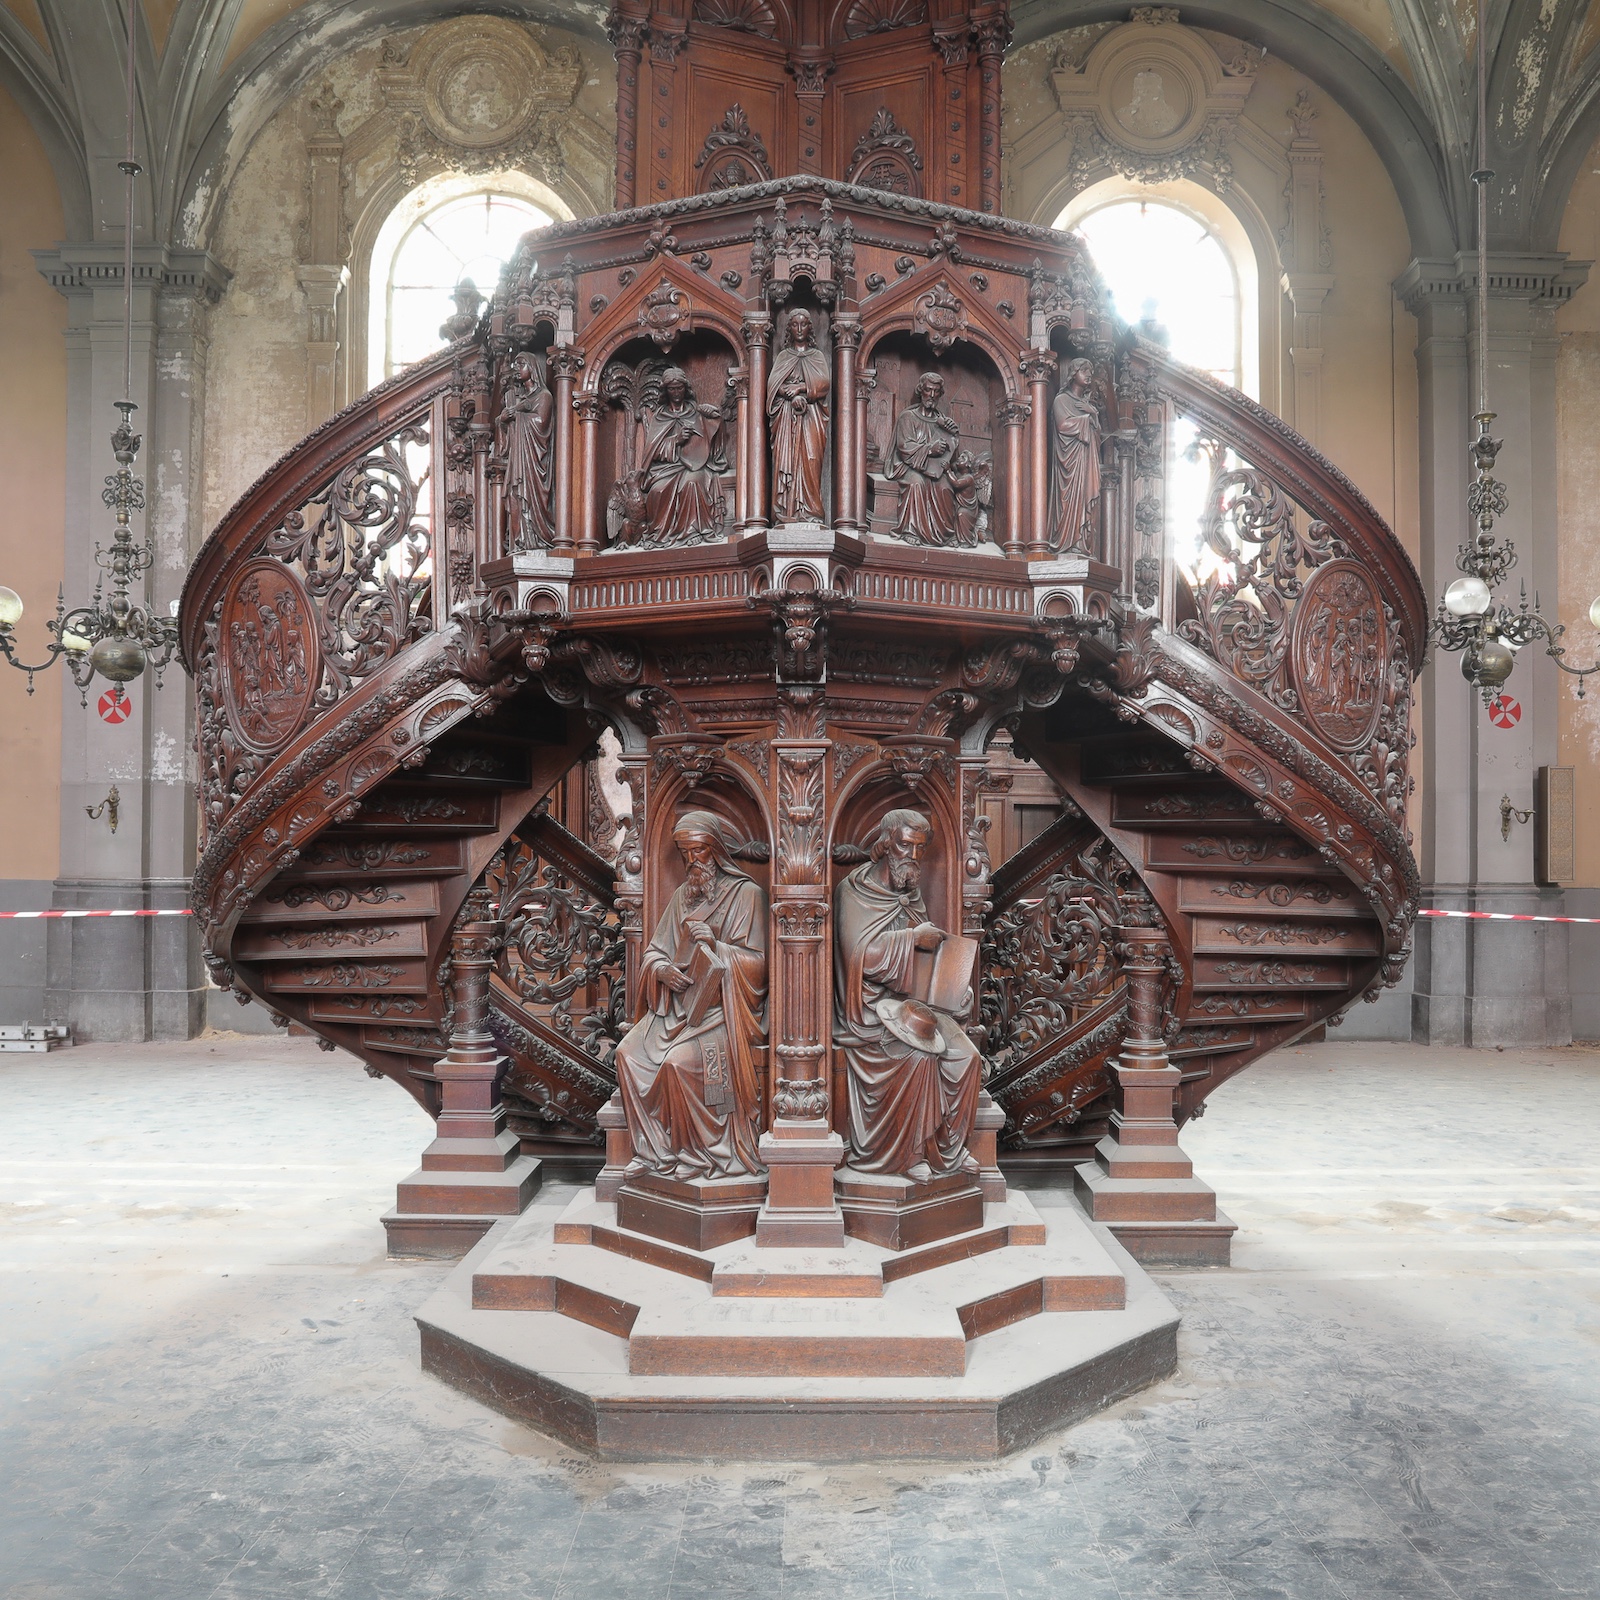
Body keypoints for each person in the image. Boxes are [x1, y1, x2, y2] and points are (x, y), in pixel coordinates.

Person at [614, 811, 768, 1179]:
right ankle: (654, 1152)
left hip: (722, 1010)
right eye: (685, 853)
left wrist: (719, 947)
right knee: (626, 1054)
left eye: (698, 851)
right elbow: (654, 950)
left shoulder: (747, 895)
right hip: (676, 1007)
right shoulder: (683, 895)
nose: (692, 862)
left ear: (715, 850)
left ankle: (701, 1156)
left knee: (678, 1064)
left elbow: (761, 965)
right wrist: (661, 969)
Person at [833, 808, 982, 1180]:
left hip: (912, 1005)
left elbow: (925, 964)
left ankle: (947, 1149)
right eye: (904, 846)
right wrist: (912, 939)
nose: (912, 857)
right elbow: (860, 956)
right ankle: (912, 1153)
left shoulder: (910, 893)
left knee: (968, 1056)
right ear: (884, 845)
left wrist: (953, 994)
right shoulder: (853, 890)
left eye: (919, 849)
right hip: (868, 1010)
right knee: (920, 1057)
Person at [633, 366, 727, 545]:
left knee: (692, 483)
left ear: (686, 389)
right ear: (666, 391)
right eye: (672, 389)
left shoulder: (695, 413)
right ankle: (658, 534)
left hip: (693, 466)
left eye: (679, 388)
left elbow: (711, 443)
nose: (676, 392)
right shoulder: (660, 417)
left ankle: (692, 532)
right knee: (657, 491)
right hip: (665, 469)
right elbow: (652, 452)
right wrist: (676, 440)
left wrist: (716, 420)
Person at [767, 309, 830, 523]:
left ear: (810, 328)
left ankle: (811, 512)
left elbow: (823, 384)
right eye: (795, 324)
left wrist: (802, 388)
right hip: (786, 419)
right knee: (786, 461)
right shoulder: (784, 357)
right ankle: (786, 512)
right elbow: (773, 386)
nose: (800, 329)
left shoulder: (817, 356)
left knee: (811, 461)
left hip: (812, 419)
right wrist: (789, 394)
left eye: (804, 324)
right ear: (790, 328)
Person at [885, 373, 961, 545]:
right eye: (928, 390)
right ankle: (911, 529)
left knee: (946, 488)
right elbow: (904, 447)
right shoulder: (908, 417)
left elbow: (952, 454)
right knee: (916, 484)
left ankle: (946, 534)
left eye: (936, 391)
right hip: (909, 466)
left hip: (935, 469)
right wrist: (929, 449)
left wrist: (953, 434)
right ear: (921, 391)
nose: (932, 395)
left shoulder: (942, 421)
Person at [496, 350, 556, 550]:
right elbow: (504, 427)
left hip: (534, 462)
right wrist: (504, 420)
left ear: (532, 367)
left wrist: (518, 415)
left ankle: (536, 539)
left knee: (526, 497)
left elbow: (541, 424)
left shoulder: (544, 396)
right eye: (515, 366)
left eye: (520, 364)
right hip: (518, 459)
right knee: (513, 497)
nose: (516, 369)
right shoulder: (517, 398)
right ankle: (519, 544)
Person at [1048, 357, 1102, 555]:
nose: (1088, 374)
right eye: (1083, 370)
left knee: (1086, 498)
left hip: (1086, 461)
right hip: (1068, 464)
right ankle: (1067, 541)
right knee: (1068, 501)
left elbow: (1098, 437)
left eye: (1090, 371)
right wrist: (1087, 418)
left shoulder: (1088, 406)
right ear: (1073, 374)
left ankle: (1081, 542)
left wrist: (1093, 415)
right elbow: (1063, 426)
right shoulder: (1061, 400)